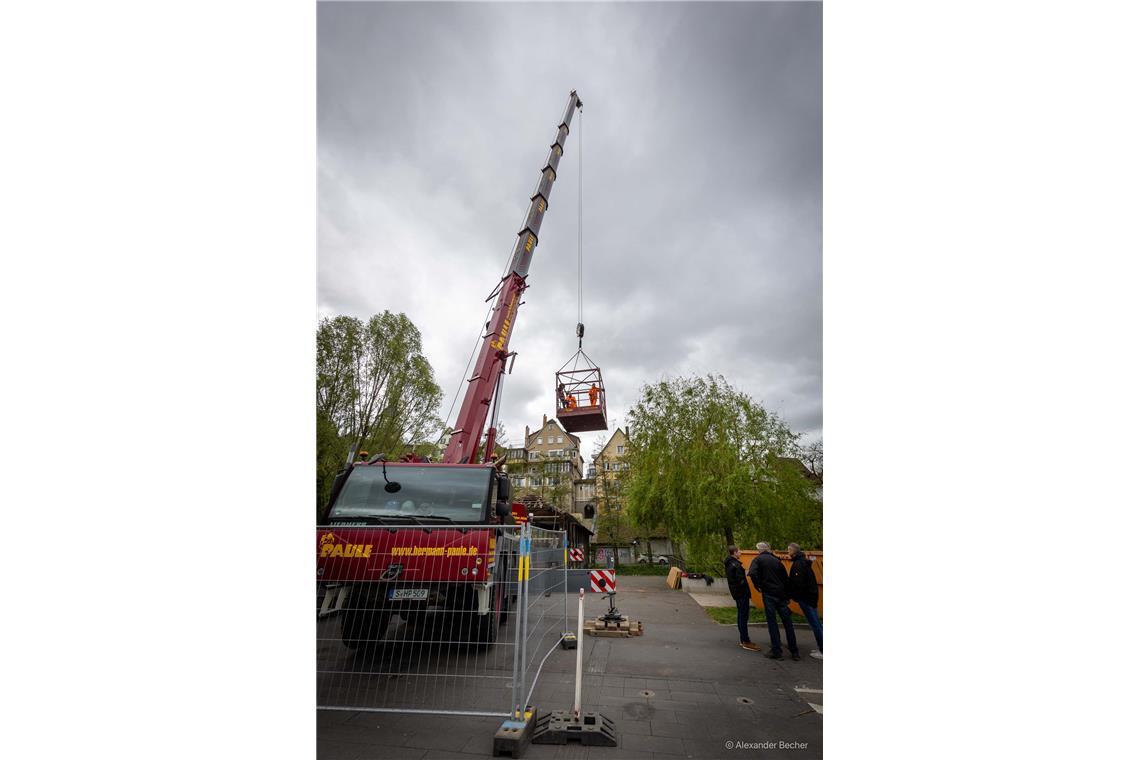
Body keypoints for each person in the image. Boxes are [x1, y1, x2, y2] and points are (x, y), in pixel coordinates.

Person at [747, 542, 800, 661]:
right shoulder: (776, 560)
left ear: (759, 550)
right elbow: (785, 579)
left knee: (772, 622)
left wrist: (758, 586)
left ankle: (777, 651)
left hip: (769, 594)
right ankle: (794, 651)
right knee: (788, 623)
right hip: (781, 595)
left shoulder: (758, 560)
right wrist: (786, 595)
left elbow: (753, 573)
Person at [787, 543, 822, 659]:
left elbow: (798, 584)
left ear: (793, 551)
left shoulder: (798, 564)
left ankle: (823, 650)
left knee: (815, 625)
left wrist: (794, 596)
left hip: (806, 599)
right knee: (817, 623)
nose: (788, 552)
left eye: (789, 550)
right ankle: (821, 647)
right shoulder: (803, 562)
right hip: (811, 597)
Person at [724, 545, 761, 652]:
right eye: (739, 551)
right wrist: (745, 591)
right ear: (734, 553)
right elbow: (740, 581)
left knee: (741, 616)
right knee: (743, 617)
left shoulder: (730, 563)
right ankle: (745, 641)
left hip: (738, 594)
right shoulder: (734, 565)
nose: (740, 553)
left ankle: (743, 639)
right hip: (741, 594)